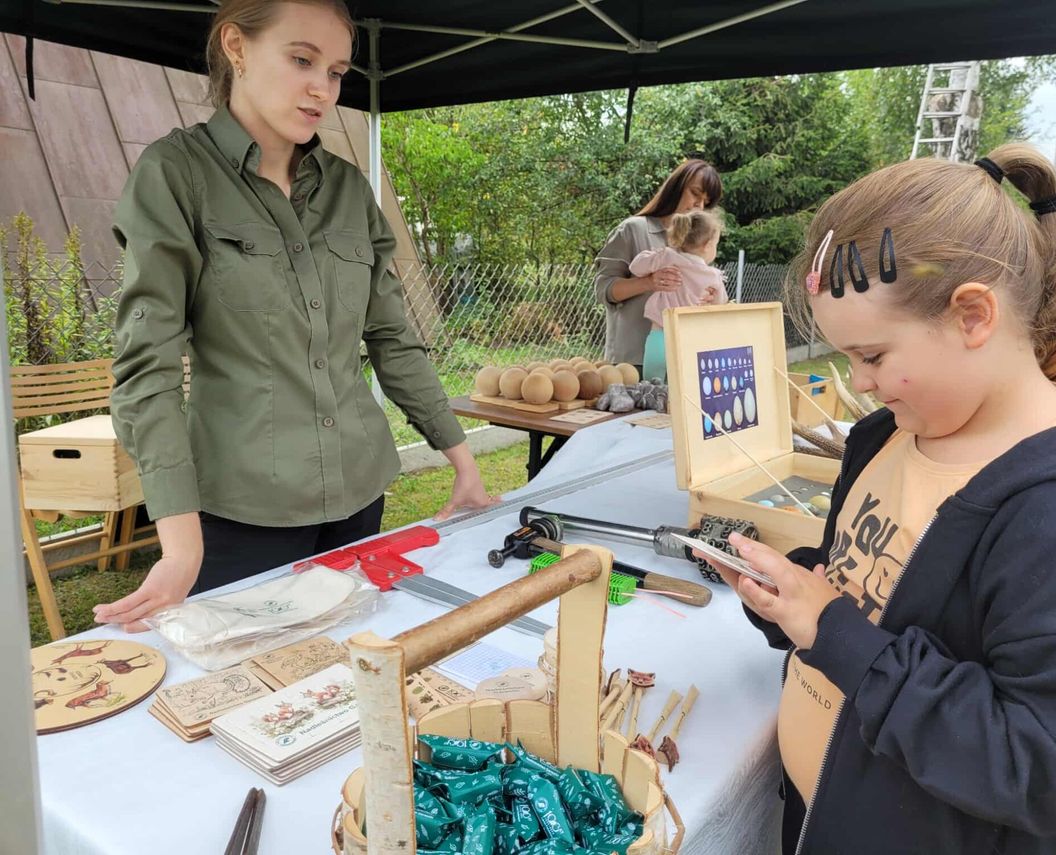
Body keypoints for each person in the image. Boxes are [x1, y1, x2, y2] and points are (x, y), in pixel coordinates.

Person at [710, 145, 1056, 854]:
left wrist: (835, 634)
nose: (861, 383)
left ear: (973, 315)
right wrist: (794, 596)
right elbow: (883, 588)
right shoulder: (884, 435)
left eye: (873, 356)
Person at [94, 0, 499, 632]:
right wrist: (179, 541)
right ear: (236, 47)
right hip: (243, 511)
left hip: (360, 492)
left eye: (336, 71)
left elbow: (392, 336)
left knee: (347, 671)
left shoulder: (347, 188)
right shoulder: (175, 175)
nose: (322, 88)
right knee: (250, 689)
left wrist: (464, 466)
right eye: (302, 59)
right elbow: (147, 362)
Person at [594, 159, 722, 373]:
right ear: (676, 187)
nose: (699, 205)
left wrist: (708, 299)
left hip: (683, 361)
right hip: (632, 363)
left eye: (706, 202)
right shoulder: (633, 229)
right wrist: (648, 282)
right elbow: (603, 290)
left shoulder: (699, 243)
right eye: (695, 193)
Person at [630, 208, 728, 381]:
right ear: (707, 246)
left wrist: (656, 254)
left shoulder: (666, 257)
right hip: (690, 341)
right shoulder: (712, 276)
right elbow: (721, 303)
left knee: (653, 389)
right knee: (684, 390)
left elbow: (635, 267)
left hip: (659, 337)